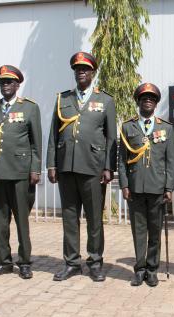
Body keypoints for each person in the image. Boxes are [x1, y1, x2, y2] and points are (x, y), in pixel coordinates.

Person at [47, 51, 117, 282]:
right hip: (66, 166)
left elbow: (110, 137)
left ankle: (95, 262)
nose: (81, 72)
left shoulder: (105, 100)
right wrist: (51, 165)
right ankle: (71, 263)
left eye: (85, 69)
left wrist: (108, 167)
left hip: (93, 168)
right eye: (78, 69)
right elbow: (52, 136)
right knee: (69, 217)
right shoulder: (63, 99)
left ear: (93, 72)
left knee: (94, 218)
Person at [0, 65, 42, 279]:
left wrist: (35, 169)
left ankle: (24, 262)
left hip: (20, 173)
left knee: (22, 220)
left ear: (17, 84)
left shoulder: (30, 108)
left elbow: (35, 143)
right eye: (2, 82)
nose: (5, 85)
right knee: (0, 221)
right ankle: (4, 262)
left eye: (8, 82)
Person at [118, 83, 174, 287]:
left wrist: (169, 188)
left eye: (151, 98)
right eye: (144, 98)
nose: (147, 101)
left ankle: (152, 270)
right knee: (139, 231)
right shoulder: (127, 126)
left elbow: (170, 161)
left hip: (158, 188)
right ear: (138, 102)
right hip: (135, 189)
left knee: (155, 230)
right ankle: (140, 269)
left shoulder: (166, 128)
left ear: (156, 103)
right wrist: (124, 185)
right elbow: (122, 161)